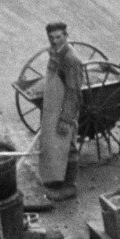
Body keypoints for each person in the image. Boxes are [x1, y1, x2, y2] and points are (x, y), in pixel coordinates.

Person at [39, 21, 84, 200]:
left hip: (66, 109)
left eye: (59, 37)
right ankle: (57, 179)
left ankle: (69, 187)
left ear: (66, 36)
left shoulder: (71, 59)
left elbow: (73, 92)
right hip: (54, 106)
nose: (55, 41)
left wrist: (66, 119)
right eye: (51, 38)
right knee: (56, 145)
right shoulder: (55, 52)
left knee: (69, 146)